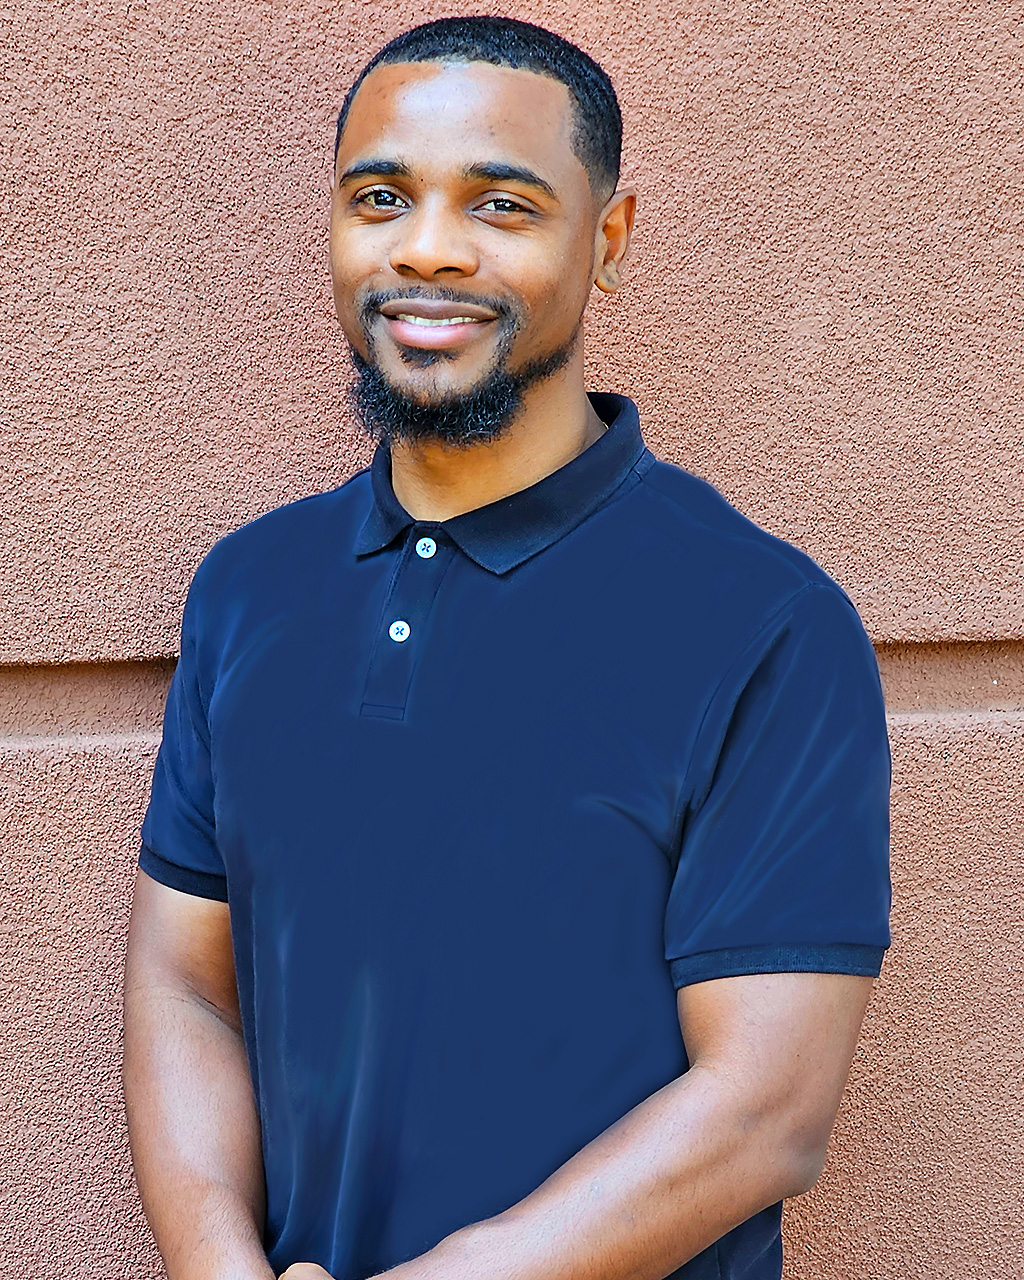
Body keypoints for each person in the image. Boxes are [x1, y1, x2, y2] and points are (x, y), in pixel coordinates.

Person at [122, 16, 892, 1280]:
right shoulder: (248, 588)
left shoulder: (765, 622)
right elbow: (185, 981)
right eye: (380, 197)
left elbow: (763, 1113)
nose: (426, 248)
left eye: (502, 204)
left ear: (609, 238)